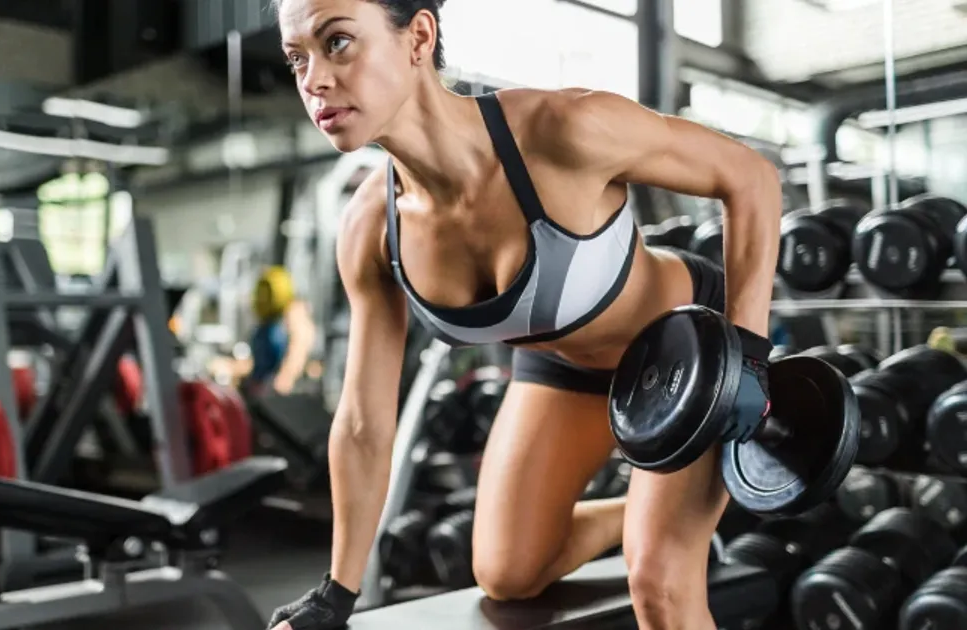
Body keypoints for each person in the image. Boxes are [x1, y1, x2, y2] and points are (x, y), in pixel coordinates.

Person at [267, 1, 781, 629]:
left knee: (661, 585)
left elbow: (750, 178)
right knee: (507, 573)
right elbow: (363, 423)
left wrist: (747, 357)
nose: (313, 79)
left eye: (338, 42)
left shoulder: (561, 129)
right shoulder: (373, 228)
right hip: (560, 372)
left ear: (418, 38)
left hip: (683, 349)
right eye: (298, 58)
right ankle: (648, 512)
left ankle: (667, 526)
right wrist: (335, 593)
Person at [246, 266, 317, 395]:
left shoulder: (294, 312)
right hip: (261, 391)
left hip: (283, 394)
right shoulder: (265, 324)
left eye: (267, 291)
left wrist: (286, 377)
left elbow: (301, 344)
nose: (262, 296)